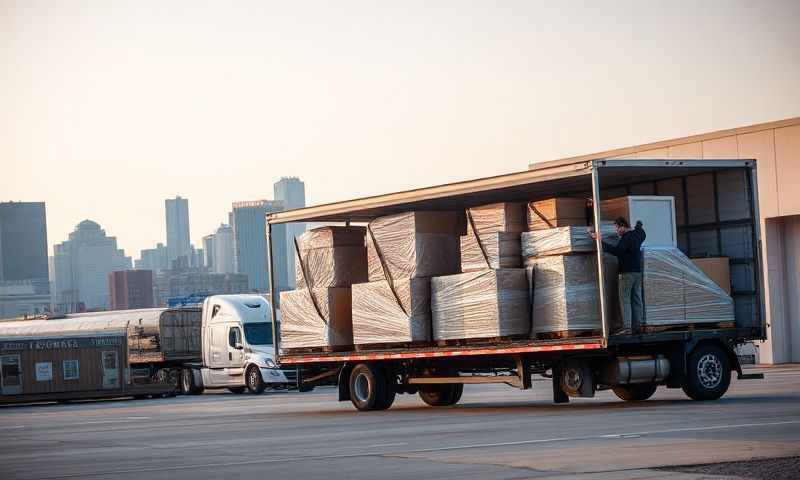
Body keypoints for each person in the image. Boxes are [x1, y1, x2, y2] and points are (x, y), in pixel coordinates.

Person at [588, 217, 646, 335]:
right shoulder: (637, 234)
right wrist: (638, 225)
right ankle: (639, 325)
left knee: (625, 299)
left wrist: (599, 240)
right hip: (637, 273)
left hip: (626, 273)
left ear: (622, 226)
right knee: (636, 298)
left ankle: (627, 327)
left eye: (617, 228)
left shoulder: (626, 238)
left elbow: (617, 251)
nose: (617, 232)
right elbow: (642, 232)